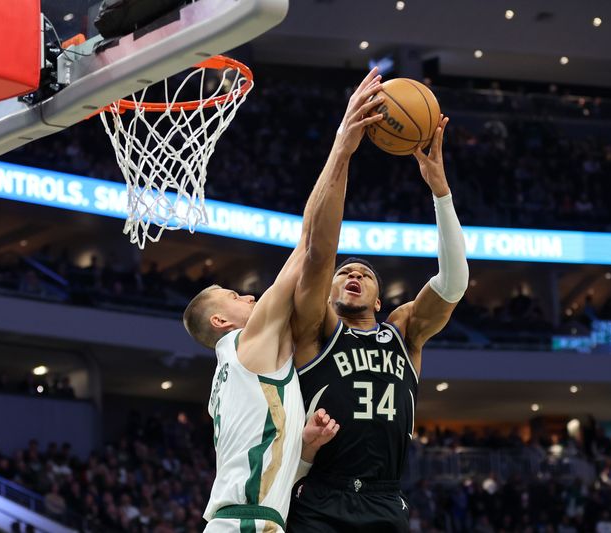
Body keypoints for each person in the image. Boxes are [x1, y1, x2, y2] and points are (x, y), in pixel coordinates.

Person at [182, 68, 385, 532]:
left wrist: (304, 448)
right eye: (234, 295)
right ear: (219, 320)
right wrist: (342, 144)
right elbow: (310, 239)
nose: (248, 294)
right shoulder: (249, 342)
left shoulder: (237, 375)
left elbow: (265, 470)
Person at [286, 84, 468, 531]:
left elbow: (453, 283)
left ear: (380, 300)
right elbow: (317, 251)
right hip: (322, 493)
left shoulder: (403, 331)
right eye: (344, 273)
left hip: (387, 499)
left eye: (364, 275)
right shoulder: (316, 328)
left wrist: (440, 192)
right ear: (328, 293)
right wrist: (344, 150)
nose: (353, 276)